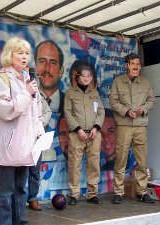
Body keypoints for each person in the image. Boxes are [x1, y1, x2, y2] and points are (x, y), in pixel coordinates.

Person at [0, 37, 45, 225]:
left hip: (26, 145)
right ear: (9, 54)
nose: (24, 57)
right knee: (6, 191)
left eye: (27, 53)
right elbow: (3, 109)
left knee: (21, 189)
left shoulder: (30, 80)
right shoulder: (2, 79)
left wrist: (40, 133)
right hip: (8, 146)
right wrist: (26, 93)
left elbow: (36, 113)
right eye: (19, 52)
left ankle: (20, 222)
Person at [109, 53, 156, 204]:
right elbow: (112, 102)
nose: (136, 66)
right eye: (133, 64)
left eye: (138, 64)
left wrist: (144, 109)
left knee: (142, 160)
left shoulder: (146, 83)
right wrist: (125, 111)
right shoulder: (118, 82)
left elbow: (152, 100)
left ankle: (142, 192)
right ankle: (118, 192)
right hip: (124, 125)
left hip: (140, 126)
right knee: (121, 158)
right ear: (127, 66)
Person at [64, 66, 105, 205]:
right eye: (83, 75)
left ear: (92, 78)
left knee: (94, 164)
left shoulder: (94, 93)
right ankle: (74, 195)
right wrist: (78, 129)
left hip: (93, 134)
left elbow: (101, 112)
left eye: (89, 76)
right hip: (77, 134)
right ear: (78, 77)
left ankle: (92, 194)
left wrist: (96, 127)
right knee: (75, 164)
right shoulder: (71, 93)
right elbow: (68, 112)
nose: (86, 78)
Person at [27, 95, 51, 211]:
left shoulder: (38, 96)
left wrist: (40, 125)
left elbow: (47, 112)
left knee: (35, 170)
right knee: (18, 171)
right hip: (21, 138)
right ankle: (17, 199)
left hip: (37, 138)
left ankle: (33, 198)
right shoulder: (17, 92)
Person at [34, 40, 64, 113]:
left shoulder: (70, 103)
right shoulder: (26, 99)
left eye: (53, 62)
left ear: (61, 71)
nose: (47, 68)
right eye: (42, 61)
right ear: (36, 68)